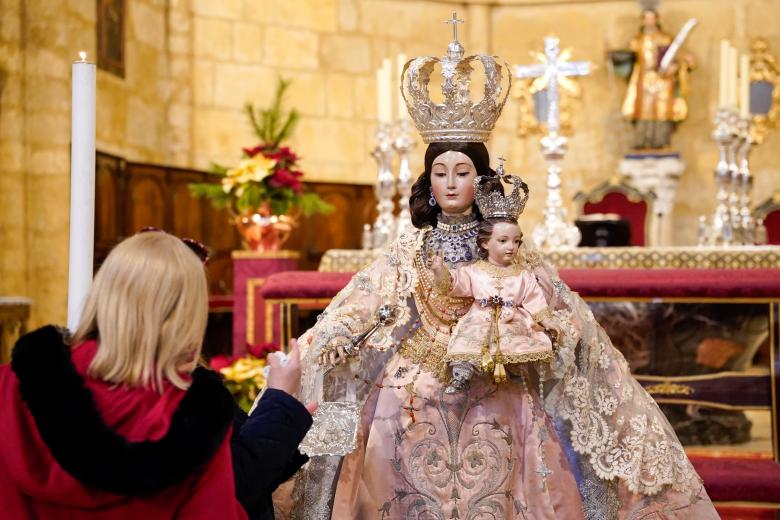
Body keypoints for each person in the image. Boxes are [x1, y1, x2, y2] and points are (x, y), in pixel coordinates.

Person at [282, 25, 718, 520]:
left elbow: (554, 302)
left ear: (481, 177)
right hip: (417, 380)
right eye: (440, 172)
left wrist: (556, 331)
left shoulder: (504, 245)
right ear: (427, 179)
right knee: (388, 425)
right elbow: (367, 297)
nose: (450, 183)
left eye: (462, 171)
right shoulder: (413, 249)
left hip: (499, 376)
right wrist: (338, 332)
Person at [0, 230, 312, 520]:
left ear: (102, 293)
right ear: (188, 315)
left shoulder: (11, 384)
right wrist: (280, 406)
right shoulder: (191, 416)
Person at [431, 173, 560, 394]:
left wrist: (547, 321)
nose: (511, 247)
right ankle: (462, 375)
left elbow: (535, 301)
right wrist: (439, 271)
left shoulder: (522, 274)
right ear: (485, 243)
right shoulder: (474, 271)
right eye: (503, 241)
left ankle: (513, 371)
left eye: (516, 241)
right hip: (479, 318)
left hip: (512, 320)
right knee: (468, 339)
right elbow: (452, 284)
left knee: (516, 340)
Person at [620, 8, 695, 149]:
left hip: (663, 82)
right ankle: (643, 142)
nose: (649, 21)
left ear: (657, 20)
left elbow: (680, 57)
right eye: (646, 18)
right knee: (643, 111)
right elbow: (626, 59)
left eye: (652, 18)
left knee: (662, 111)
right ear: (642, 21)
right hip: (643, 80)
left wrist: (677, 65)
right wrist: (614, 58)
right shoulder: (637, 41)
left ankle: (661, 142)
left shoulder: (666, 38)